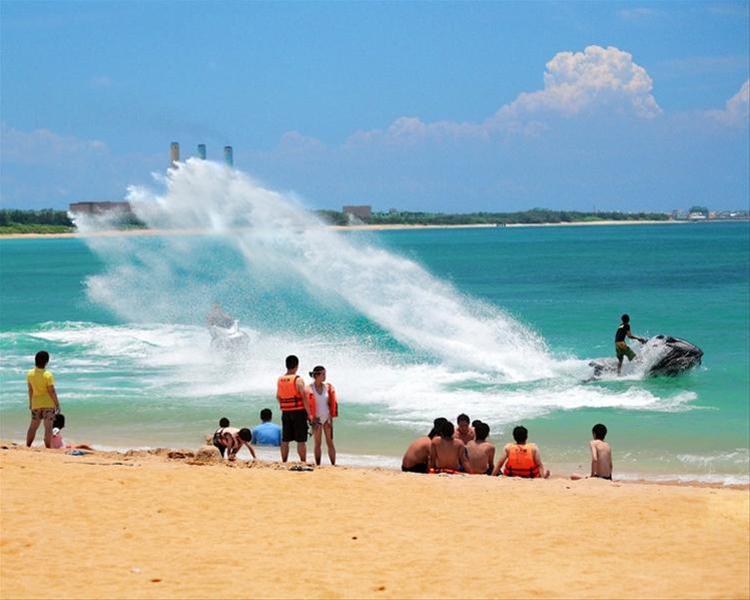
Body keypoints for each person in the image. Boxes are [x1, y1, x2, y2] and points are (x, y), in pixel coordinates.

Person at [276, 355, 311, 463]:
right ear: (296, 366)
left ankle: (284, 461)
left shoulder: (280, 379)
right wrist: (309, 414)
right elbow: (304, 396)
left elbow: (278, 396)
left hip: (286, 412)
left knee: (285, 439)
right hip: (298, 411)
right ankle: (303, 461)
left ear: (286, 365)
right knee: (301, 440)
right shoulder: (298, 379)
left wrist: (284, 406)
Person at [26, 350, 60, 448]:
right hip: (48, 404)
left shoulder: (30, 374)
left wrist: (30, 402)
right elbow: (51, 391)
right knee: (48, 427)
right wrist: (57, 403)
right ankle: (48, 447)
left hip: (36, 403)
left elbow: (30, 390)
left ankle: (28, 445)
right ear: (46, 361)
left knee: (33, 427)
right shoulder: (48, 375)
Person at [307, 366, 338, 466]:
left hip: (327, 418)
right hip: (316, 419)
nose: (325, 376)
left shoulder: (327, 387)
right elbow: (307, 405)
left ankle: (333, 464)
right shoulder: (309, 388)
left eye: (325, 374)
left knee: (330, 442)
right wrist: (311, 419)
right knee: (318, 443)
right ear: (317, 375)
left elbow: (330, 404)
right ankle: (318, 465)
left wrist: (331, 418)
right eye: (323, 374)